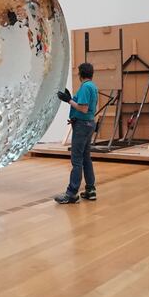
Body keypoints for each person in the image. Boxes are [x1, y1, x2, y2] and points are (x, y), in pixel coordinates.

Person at [55, 62, 98, 204]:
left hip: (82, 125)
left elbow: (83, 108)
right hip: (88, 124)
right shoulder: (92, 86)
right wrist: (71, 100)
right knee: (86, 158)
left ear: (80, 74)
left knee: (77, 160)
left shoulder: (85, 87)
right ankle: (90, 189)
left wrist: (68, 100)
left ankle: (72, 193)